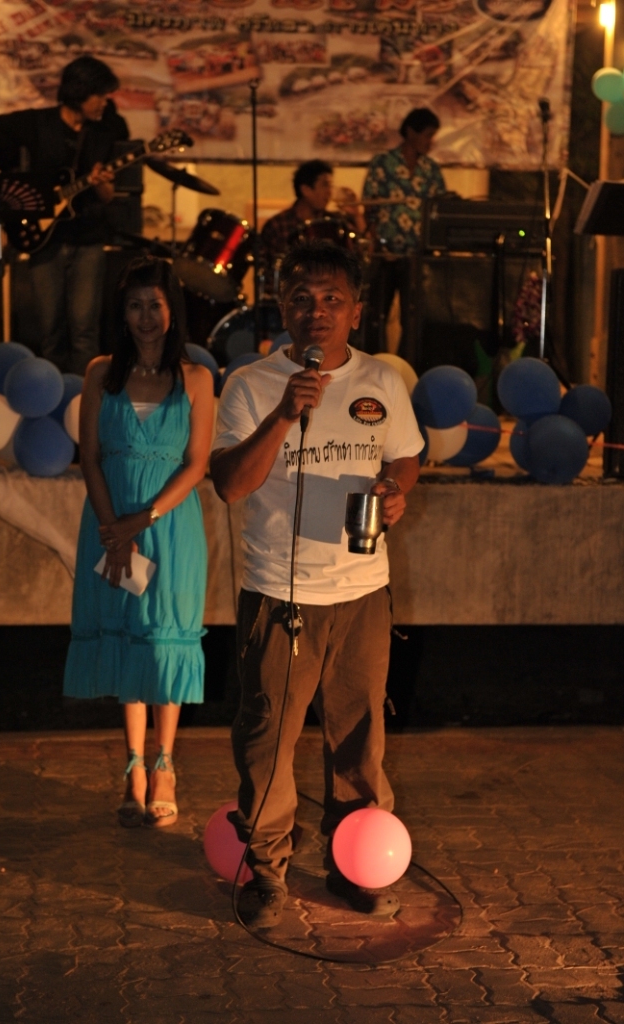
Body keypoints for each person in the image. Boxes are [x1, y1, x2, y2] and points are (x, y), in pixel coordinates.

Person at [210, 241, 424, 929]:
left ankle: (353, 864)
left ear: (356, 311)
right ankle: (266, 871)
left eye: (332, 298)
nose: (316, 311)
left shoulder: (381, 380)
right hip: (280, 591)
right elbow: (230, 485)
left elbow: (406, 456)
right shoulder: (250, 384)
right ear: (282, 308)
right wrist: (283, 413)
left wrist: (396, 490)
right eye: (301, 298)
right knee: (267, 738)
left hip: (362, 591)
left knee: (359, 738)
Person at [63, 256, 214, 828]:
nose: (145, 316)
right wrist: (114, 529)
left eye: (155, 305)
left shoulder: (197, 378)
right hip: (109, 524)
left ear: (172, 311)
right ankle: (133, 766)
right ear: (121, 314)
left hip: (170, 526)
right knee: (128, 634)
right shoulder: (101, 373)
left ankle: (166, 763)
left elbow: (196, 464)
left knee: (164, 636)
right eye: (134, 306)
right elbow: (90, 458)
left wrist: (141, 520)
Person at [0, 52, 129, 374]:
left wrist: (101, 184)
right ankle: (53, 392)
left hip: (89, 238)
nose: (104, 102)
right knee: (50, 330)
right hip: (44, 240)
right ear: (80, 92)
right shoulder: (37, 123)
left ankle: (85, 395)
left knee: (85, 329)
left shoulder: (106, 130)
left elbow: (108, 195)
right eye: (99, 95)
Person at [362, 107, 447, 355]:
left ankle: (407, 367)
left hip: (417, 255)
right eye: (427, 135)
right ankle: (374, 362)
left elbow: (441, 209)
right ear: (411, 132)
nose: (430, 142)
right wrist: (378, 243)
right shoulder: (383, 163)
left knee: (413, 318)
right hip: (385, 254)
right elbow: (370, 205)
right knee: (377, 314)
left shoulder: (431, 169)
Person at [259, 159, 365, 293]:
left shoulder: (334, 222)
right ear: (306, 190)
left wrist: (356, 215)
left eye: (330, 186)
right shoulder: (278, 224)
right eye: (325, 185)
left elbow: (365, 250)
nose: (329, 192)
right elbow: (267, 272)